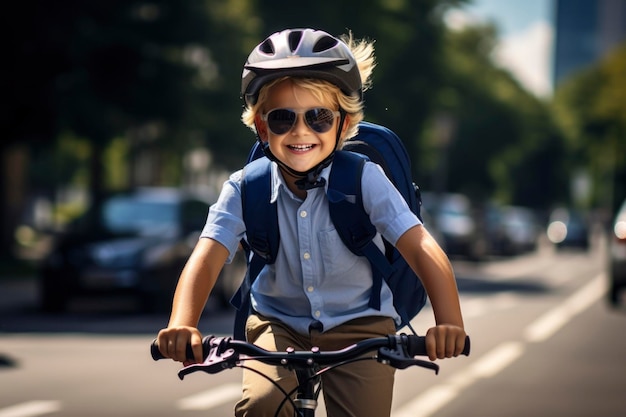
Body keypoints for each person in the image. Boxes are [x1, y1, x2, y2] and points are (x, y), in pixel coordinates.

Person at [156, 28, 466, 417]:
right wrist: (183, 323)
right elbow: (207, 255)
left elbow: (420, 245)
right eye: (283, 118)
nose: (301, 132)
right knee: (262, 406)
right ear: (262, 127)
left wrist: (449, 321)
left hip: (361, 325)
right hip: (276, 324)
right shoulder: (244, 186)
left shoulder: (364, 178)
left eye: (319, 117)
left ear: (344, 123)